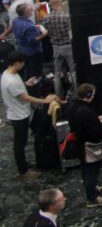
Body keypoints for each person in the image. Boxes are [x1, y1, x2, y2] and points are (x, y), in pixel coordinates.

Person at [3, 51, 60, 181]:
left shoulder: (7, 74)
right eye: (22, 63)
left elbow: (18, 91)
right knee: (20, 143)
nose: (23, 66)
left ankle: (23, 165)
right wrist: (44, 101)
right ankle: (23, 171)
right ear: (17, 63)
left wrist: (25, 84)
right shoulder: (12, 81)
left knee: (20, 142)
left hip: (16, 111)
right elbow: (25, 97)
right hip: (19, 114)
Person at [67, 83, 102, 207]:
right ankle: (92, 198)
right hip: (89, 147)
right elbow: (95, 132)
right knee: (91, 172)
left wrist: (95, 119)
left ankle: (93, 189)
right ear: (89, 95)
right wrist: (100, 124)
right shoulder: (86, 112)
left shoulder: (72, 106)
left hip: (79, 144)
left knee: (85, 170)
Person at [40, 0, 73, 98]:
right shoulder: (66, 17)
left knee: (57, 72)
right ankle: (76, 93)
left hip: (55, 47)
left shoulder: (47, 18)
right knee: (73, 71)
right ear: (60, 3)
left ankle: (59, 95)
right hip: (67, 46)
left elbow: (47, 31)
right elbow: (70, 33)